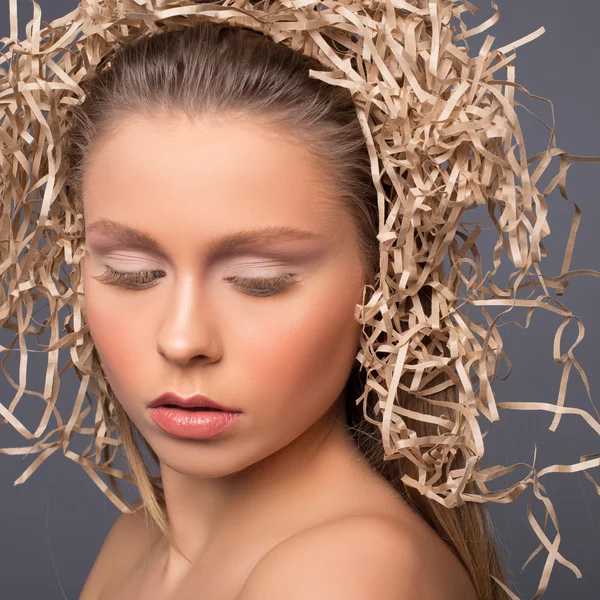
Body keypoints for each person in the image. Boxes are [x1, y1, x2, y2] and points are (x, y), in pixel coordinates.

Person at [1, 2, 598, 599]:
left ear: (384, 284)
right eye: (133, 273)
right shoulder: (135, 542)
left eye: (260, 279)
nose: (182, 339)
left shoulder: (347, 575)